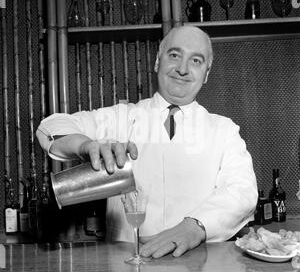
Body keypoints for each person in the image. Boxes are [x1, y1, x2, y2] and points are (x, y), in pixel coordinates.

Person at [36, 25, 258, 259]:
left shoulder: (224, 130)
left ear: (206, 74)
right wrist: (84, 146)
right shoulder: (121, 118)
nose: (182, 69)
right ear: (156, 62)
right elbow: (50, 127)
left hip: (198, 266)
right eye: (174, 55)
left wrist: (196, 226)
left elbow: (242, 190)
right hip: (128, 265)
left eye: (196, 60)